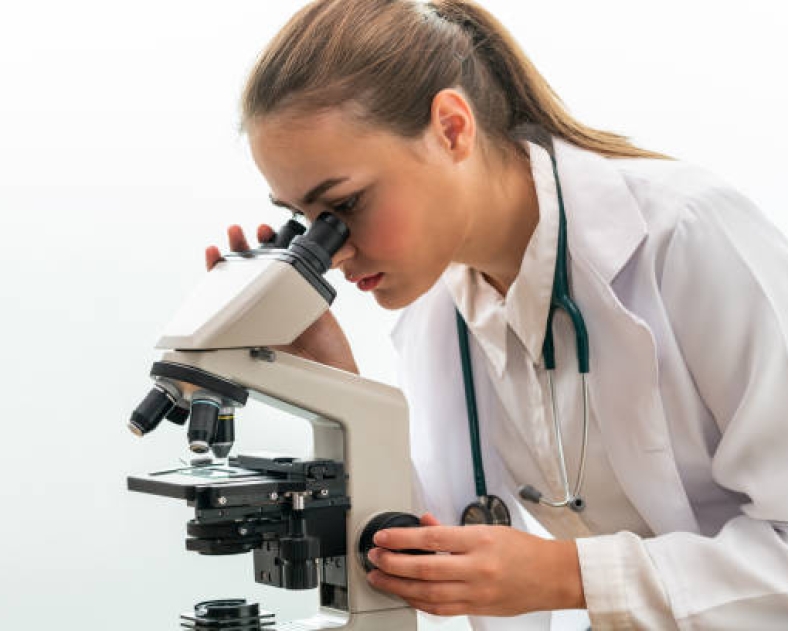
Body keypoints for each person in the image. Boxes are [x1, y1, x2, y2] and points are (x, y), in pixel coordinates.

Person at [205, 0, 788, 628]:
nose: (335, 249)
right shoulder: (442, 306)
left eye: (345, 204)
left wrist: (569, 575)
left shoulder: (689, 233)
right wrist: (332, 383)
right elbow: (432, 542)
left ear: (452, 128)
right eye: (307, 221)